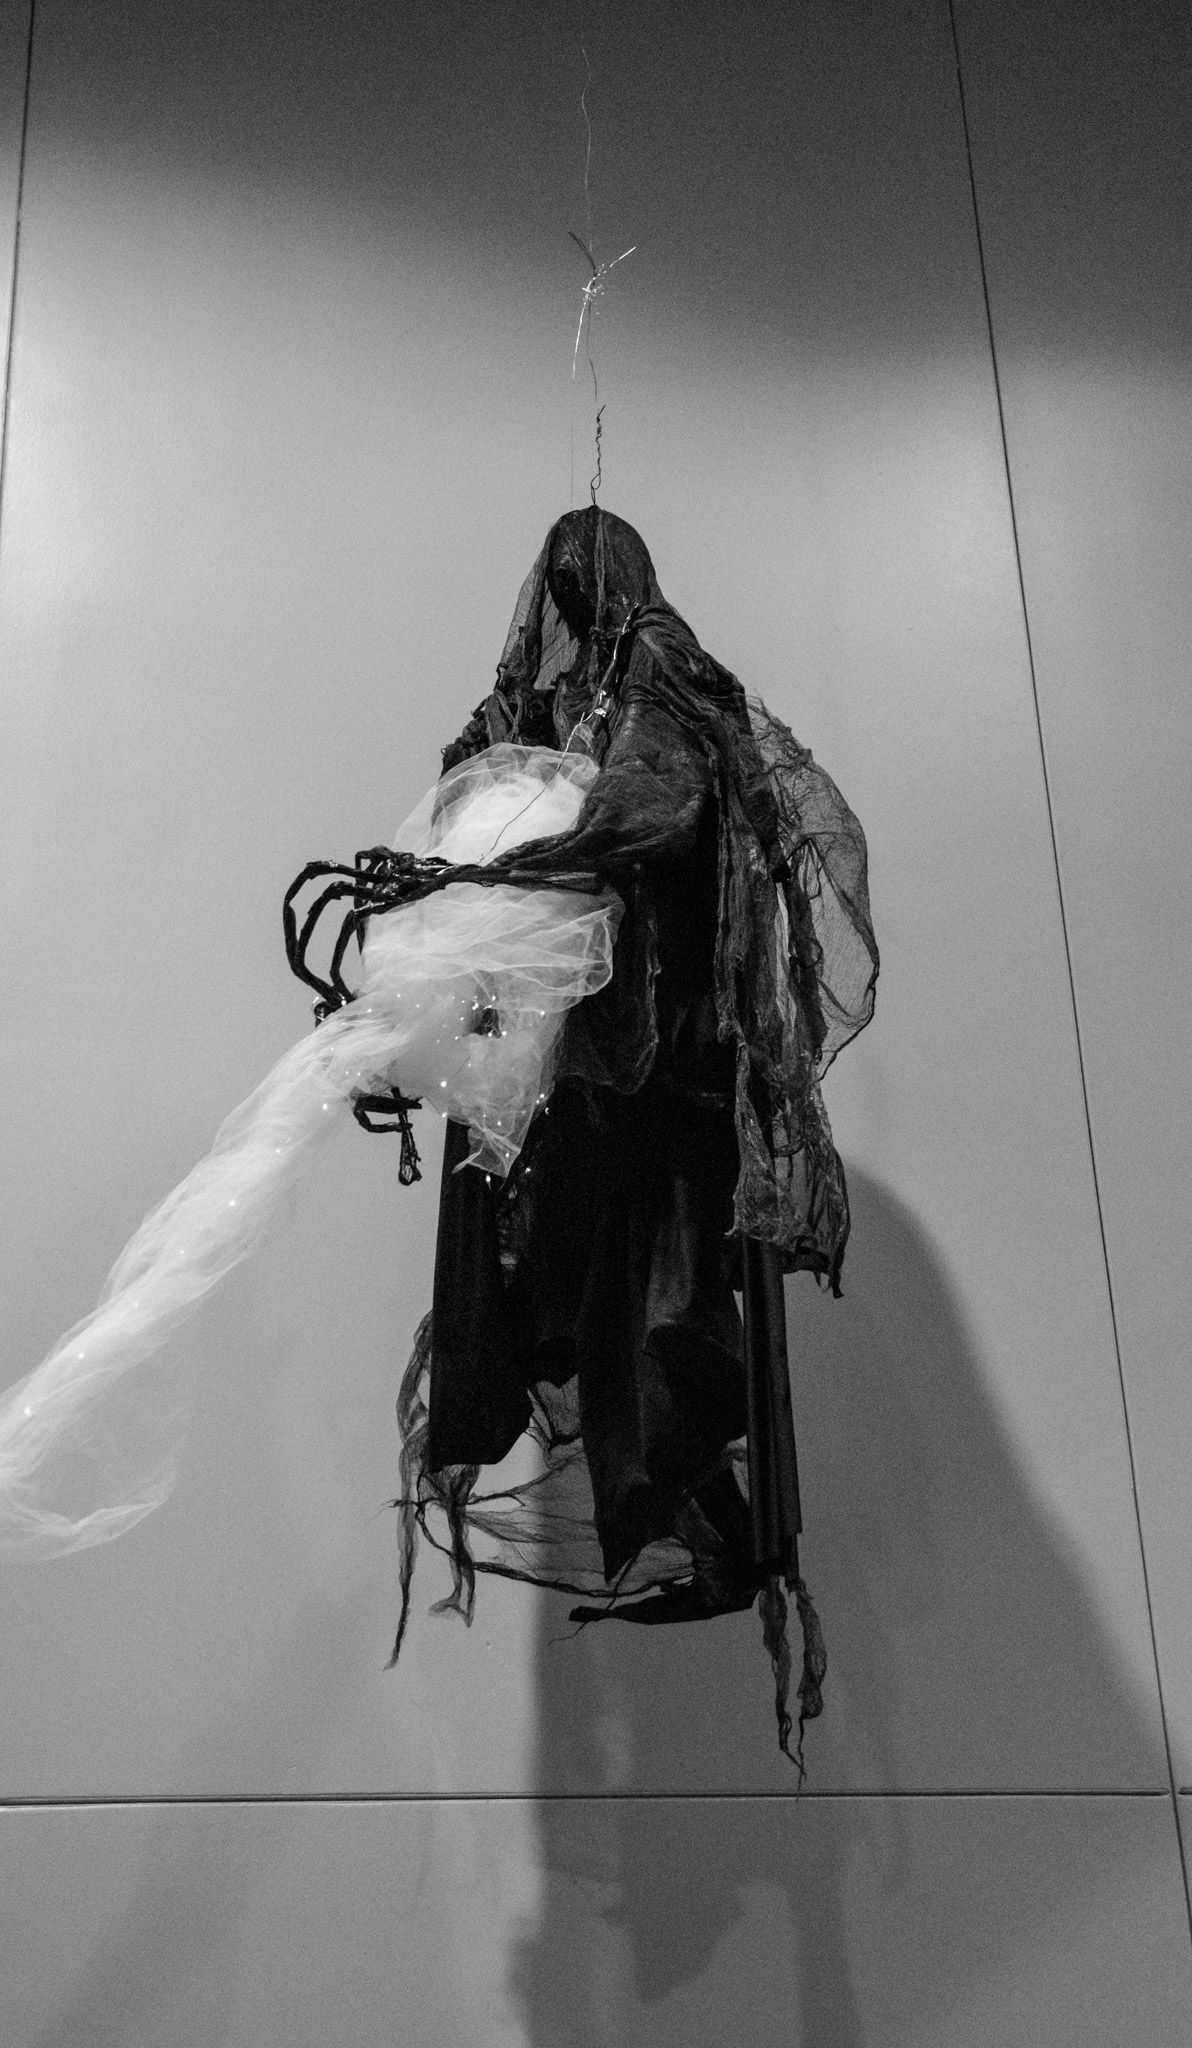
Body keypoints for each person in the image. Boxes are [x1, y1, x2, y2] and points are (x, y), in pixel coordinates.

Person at [389, 506, 878, 1767]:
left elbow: (659, 803)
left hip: (663, 1072)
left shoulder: (663, 673)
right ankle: (709, 1537)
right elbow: (473, 776)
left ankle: (728, 1543)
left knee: (655, 1317)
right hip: (577, 1075)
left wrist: (534, 855)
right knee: (571, 1296)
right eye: (556, 586)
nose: (564, 605)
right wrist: (472, 841)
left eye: (577, 582)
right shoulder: (537, 702)